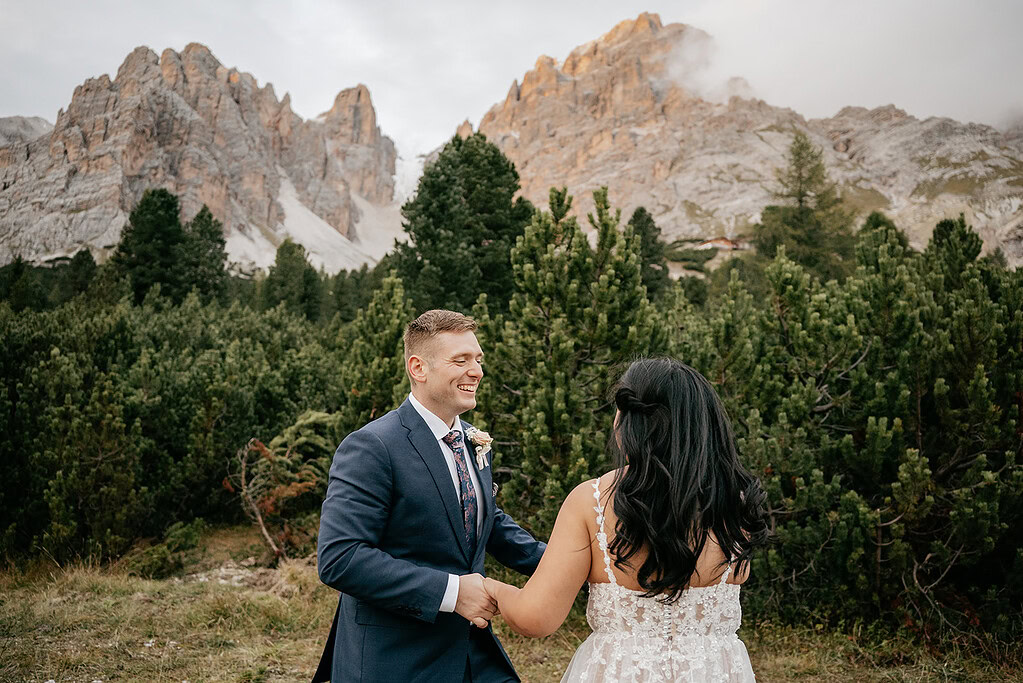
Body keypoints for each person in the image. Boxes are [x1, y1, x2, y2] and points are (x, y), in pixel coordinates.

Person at [483, 357, 770, 682]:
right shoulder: (736, 505)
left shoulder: (591, 501)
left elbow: (535, 618)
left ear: (627, 422)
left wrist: (492, 588)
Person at [314, 309, 547, 683]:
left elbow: (483, 520)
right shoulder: (372, 447)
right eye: (461, 360)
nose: (477, 371)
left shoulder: (471, 439)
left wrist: (566, 565)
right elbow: (340, 558)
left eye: (478, 359)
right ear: (418, 368)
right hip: (396, 658)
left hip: (472, 652)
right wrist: (453, 592)